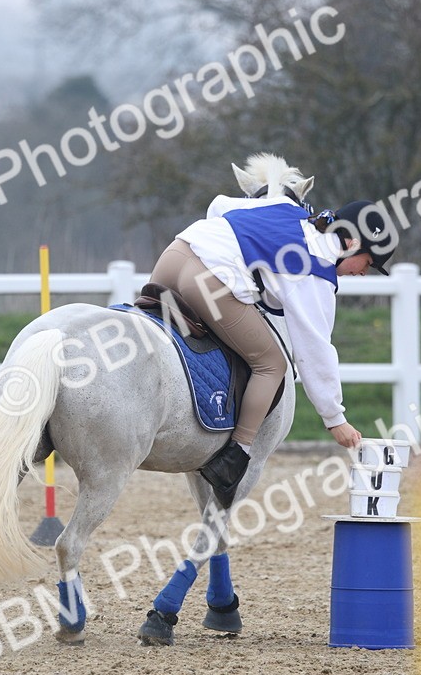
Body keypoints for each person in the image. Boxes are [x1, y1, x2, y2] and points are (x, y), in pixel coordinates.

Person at [149, 194, 397, 507]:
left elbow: (218, 206)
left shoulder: (287, 207)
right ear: (350, 243)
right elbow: (315, 349)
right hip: (207, 282)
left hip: (175, 255)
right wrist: (335, 419)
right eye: (368, 263)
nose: (363, 273)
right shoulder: (317, 269)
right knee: (271, 364)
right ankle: (232, 457)